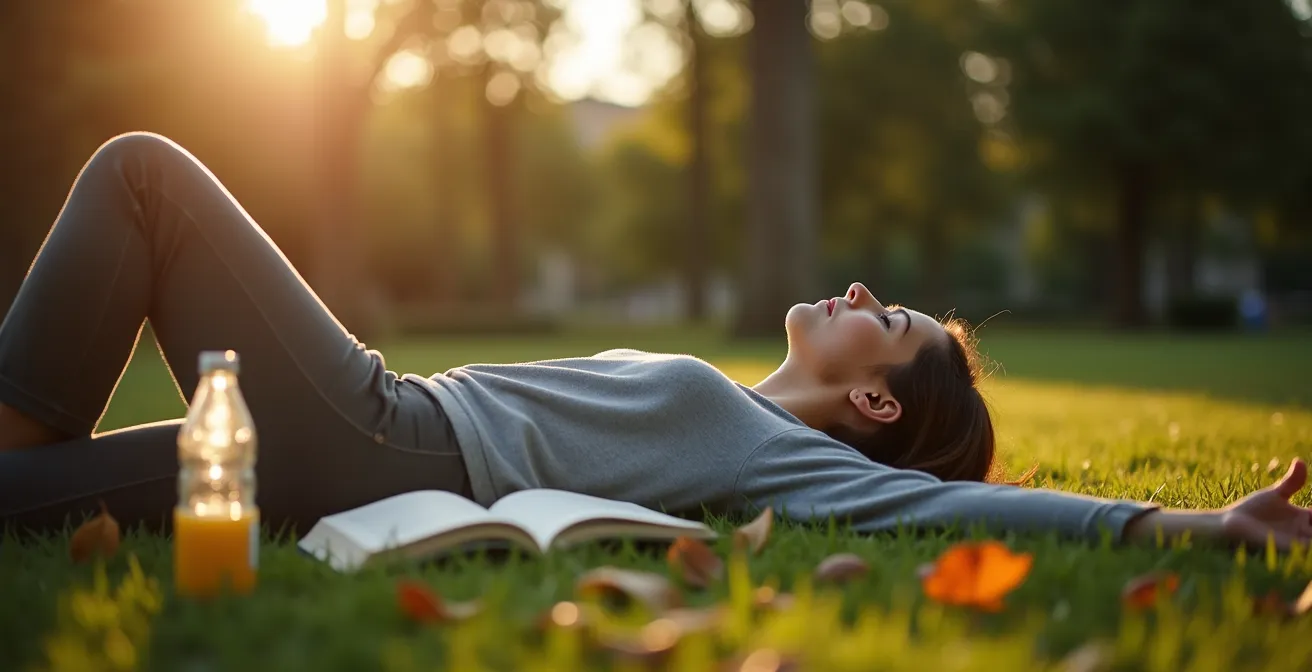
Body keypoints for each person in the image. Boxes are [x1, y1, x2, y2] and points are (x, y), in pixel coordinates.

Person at [1, 133, 1309, 552]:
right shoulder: (740, 408)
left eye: (887, 319)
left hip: (380, 437)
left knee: (144, 174)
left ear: (870, 406)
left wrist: (1190, 530)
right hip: (339, 449)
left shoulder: (791, 462)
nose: (860, 289)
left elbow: (953, 512)